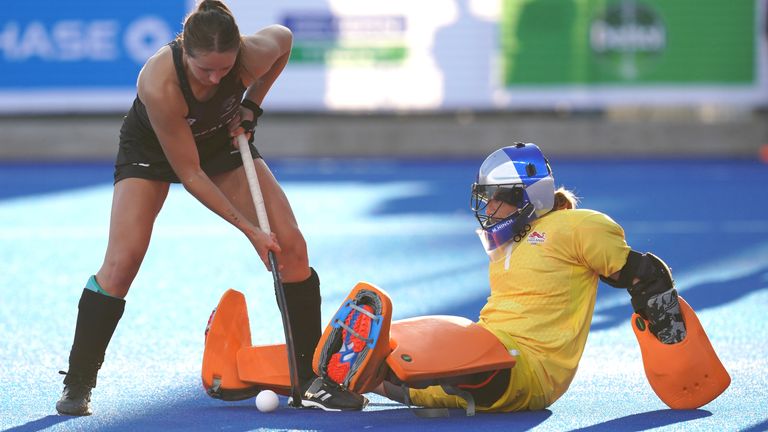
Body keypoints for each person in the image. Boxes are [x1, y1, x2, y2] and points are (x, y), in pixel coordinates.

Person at [56, 0, 341, 415]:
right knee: (123, 261)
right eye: (204, 70)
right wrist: (250, 230)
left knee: (291, 246)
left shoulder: (252, 53)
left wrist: (250, 104)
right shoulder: (158, 81)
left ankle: (310, 378)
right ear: (184, 51)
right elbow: (190, 174)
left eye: (224, 71)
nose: (214, 79)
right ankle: (78, 381)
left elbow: (284, 39)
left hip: (220, 140)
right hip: (153, 150)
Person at [310, 142, 726, 412]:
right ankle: (341, 374)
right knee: (394, 354)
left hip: (529, 368)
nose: (488, 208)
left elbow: (644, 275)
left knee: (446, 334)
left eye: (497, 198)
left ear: (529, 198)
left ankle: (366, 364)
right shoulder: (507, 244)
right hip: (486, 356)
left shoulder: (577, 226)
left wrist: (668, 331)